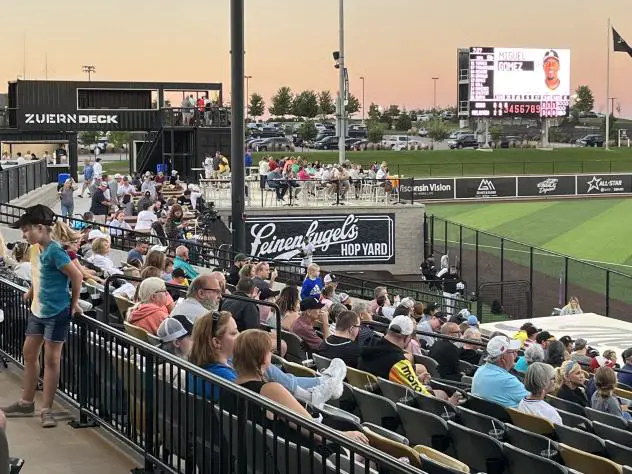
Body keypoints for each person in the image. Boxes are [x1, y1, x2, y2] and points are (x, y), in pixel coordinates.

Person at [3, 205, 84, 428]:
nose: (23, 234)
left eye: (26, 229)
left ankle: (46, 408)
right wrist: (31, 290)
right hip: (38, 311)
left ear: (40, 228)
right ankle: (26, 401)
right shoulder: (35, 249)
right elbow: (40, 274)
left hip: (57, 313)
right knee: (29, 354)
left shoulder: (55, 251)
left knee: (51, 360)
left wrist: (73, 304)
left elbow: (77, 277)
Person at [188, 313, 346, 409]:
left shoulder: (197, 368)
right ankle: (320, 385)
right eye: (234, 333)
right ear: (216, 343)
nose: (240, 335)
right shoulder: (227, 380)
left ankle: (320, 384)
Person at [359, 316, 450, 399]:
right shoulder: (399, 362)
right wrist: (451, 401)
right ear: (406, 337)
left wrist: (416, 379)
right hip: (391, 401)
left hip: (369, 397)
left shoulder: (368, 343)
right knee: (442, 394)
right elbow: (423, 395)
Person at [471, 335, 528, 408]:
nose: (516, 355)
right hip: (506, 418)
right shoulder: (507, 380)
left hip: (486, 416)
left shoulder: (480, 370)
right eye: (513, 352)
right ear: (502, 358)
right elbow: (533, 401)